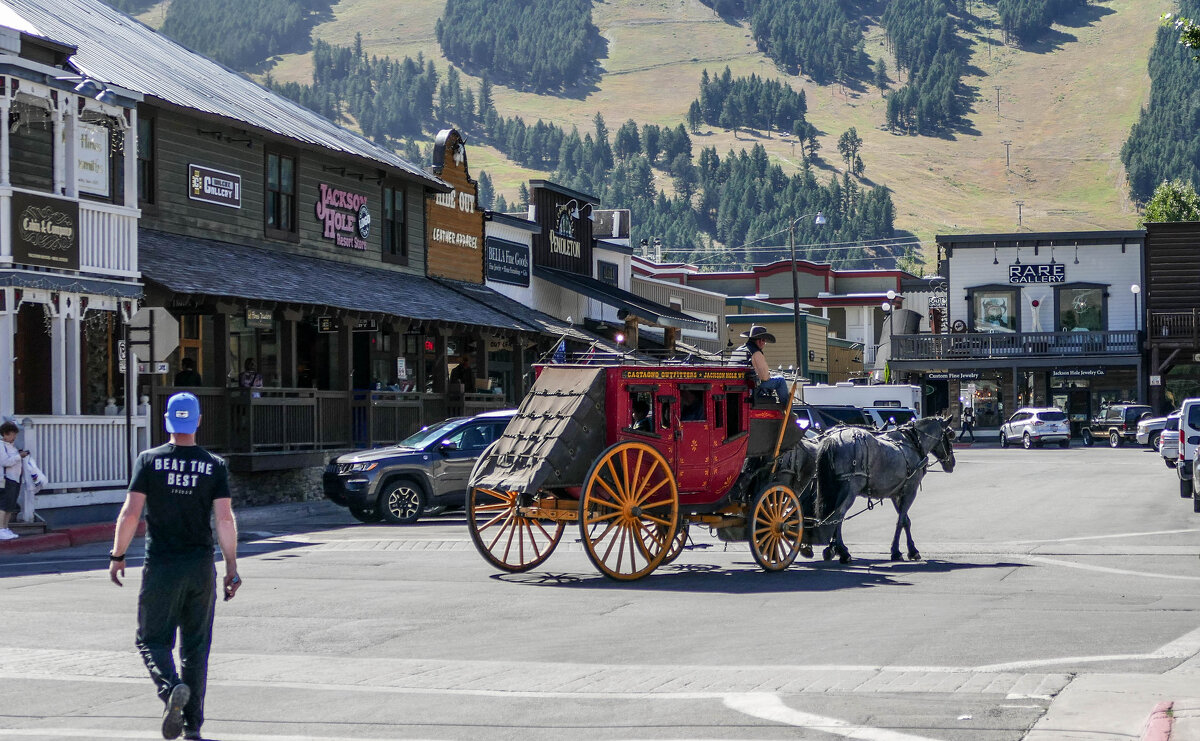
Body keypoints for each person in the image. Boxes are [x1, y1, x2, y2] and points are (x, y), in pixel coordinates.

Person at [109, 392, 241, 740]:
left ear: (167, 421)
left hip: (163, 566)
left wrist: (117, 554)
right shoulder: (214, 465)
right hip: (200, 566)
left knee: (151, 639)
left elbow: (131, 512)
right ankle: (192, 725)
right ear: (197, 421)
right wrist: (231, 567)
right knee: (196, 648)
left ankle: (171, 691)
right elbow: (224, 518)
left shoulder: (149, 460)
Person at [732, 326, 790, 402]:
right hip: (751, 385)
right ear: (759, 341)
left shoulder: (739, 350)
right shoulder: (756, 353)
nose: (764, 343)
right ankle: (787, 408)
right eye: (764, 340)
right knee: (780, 380)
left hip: (737, 384)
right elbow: (765, 377)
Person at [0, 421, 29, 540]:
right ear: (5, 434)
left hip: (15, 478)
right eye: (12, 435)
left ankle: (5, 527)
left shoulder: (11, 446)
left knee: (10, 506)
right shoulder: (1, 446)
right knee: (3, 505)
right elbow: (5, 462)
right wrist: (19, 456)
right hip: (7, 478)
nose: (14, 437)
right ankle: (1, 528)